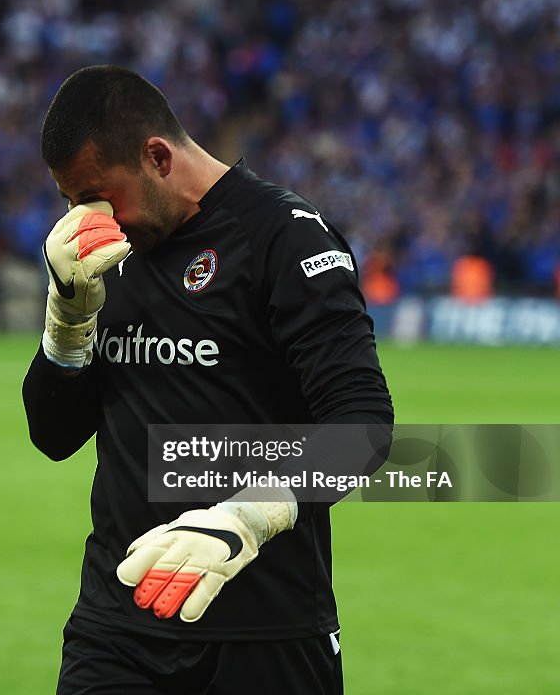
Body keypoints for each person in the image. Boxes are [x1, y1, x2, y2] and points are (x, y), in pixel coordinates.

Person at [22, 66, 393, 694]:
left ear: (158, 157)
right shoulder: (107, 257)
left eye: (98, 195)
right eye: (73, 201)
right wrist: (67, 320)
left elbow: (362, 426)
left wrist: (246, 519)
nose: (90, 217)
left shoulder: (285, 239)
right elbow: (55, 435)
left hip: (265, 631)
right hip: (119, 625)